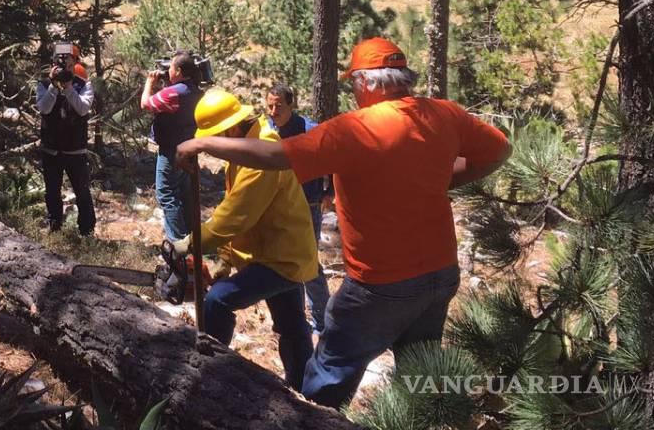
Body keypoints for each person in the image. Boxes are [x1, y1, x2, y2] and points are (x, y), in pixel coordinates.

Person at [176, 38, 511, 409]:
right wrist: (443, 180)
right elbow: (499, 151)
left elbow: (276, 156)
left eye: (353, 83)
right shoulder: (445, 114)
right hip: (440, 273)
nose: (353, 91)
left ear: (366, 82)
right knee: (417, 380)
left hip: (378, 284)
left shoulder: (355, 128)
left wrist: (203, 145)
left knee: (326, 380)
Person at [169, 89, 317, 389]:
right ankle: (304, 390)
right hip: (273, 251)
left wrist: (188, 244)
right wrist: (225, 258)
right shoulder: (243, 150)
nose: (214, 146)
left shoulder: (260, 151)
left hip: (281, 257)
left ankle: (212, 374)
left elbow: (236, 215)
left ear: (232, 128)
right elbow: (234, 204)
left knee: (217, 301)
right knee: (292, 327)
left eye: (216, 137)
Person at [265, 83, 332, 337]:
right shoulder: (267, 129)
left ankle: (322, 322)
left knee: (308, 264)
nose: (273, 111)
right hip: (277, 204)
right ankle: (293, 320)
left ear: (291, 105)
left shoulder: (310, 130)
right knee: (283, 262)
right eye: (270, 106)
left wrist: (329, 191)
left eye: (278, 106)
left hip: (308, 204)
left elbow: (332, 160)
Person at [141, 51, 204, 241]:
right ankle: (192, 242)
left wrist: (149, 83)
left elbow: (146, 104)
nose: (168, 71)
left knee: (167, 195)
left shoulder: (173, 93)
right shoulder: (195, 91)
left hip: (171, 151)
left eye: (171, 68)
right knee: (185, 195)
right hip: (189, 148)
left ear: (179, 71)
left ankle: (178, 243)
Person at [36, 43, 96, 235]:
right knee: (52, 191)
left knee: (82, 192)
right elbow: (44, 108)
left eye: (68, 64)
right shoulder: (44, 84)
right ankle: (54, 227)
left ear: (75, 63)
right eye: (60, 62)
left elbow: (83, 109)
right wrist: (53, 87)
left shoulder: (83, 85)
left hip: (75, 148)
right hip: (51, 148)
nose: (64, 67)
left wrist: (69, 87)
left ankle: (87, 231)